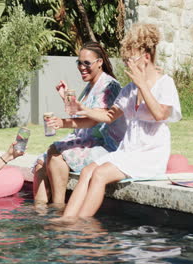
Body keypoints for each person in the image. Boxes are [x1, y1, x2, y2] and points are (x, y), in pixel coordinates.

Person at [47, 23, 182, 220]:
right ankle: (66, 219)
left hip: (149, 155)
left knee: (100, 175)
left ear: (146, 57)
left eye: (130, 59)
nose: (127, 64)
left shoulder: (165, 84)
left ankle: (81, 224)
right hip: (127, 151)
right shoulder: (129, 90)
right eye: (125, 60)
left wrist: (143, 86)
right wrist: (81, 108)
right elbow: (109, 116)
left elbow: (160, 114)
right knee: (87, 172)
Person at [33, 41, 126, 206]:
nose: (82, 67)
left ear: (99, 63)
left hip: (106, 145)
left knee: (56, 153)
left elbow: (92, 120)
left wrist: (62, 123)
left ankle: (58, 206)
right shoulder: (92, 85)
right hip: (87, 140)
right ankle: (40, 212)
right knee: (41, 164)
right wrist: (65, 97)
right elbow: (81, 110)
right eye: (79, 62)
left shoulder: (109, 86)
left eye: (86, 63)